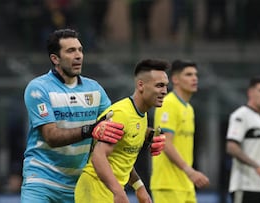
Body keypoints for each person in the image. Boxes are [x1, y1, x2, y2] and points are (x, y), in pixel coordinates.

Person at [21, 28, 125, 203]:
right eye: (70, 51)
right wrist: (91, 130)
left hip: (79, 184)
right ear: (55, 59)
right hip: (41, 180)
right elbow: (51, 137)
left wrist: (147, 134)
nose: (78, 55)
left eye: (80, 50)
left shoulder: (95, 89)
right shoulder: (38, 88)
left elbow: (117, 128)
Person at [75, 59, 169, 203]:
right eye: (159, 86)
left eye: (165, 86)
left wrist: (139, 187)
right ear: (141, 85)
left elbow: (121, 159)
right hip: (95, 189)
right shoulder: (122, 114)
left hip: (108, 190)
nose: (164, 91)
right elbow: (98, 157)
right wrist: (119, 193)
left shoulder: (141, 116)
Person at [150, 59, 210, 203]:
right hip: (168, 185)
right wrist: (190, 171)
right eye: (188, 74)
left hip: (186, 185)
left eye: (195, 75)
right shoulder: (168, 104)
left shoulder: (189, 109)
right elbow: (166, 143)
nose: (194, 78)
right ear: (175, 79)